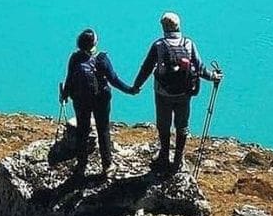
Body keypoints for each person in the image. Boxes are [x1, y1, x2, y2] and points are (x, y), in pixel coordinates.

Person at [131, 11, 221, 175]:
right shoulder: (188, 44)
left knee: (163, 125)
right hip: (184, 93)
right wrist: (213, 76)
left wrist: (136, 86)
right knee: (182, 125)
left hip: (163, 93)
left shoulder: (158, 46)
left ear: (163, 27)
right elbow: (200, 68)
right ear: (178, 26)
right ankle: (178, 160)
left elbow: (146, 68)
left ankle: (164, 156)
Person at [60, 28, 134, 180]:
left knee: (82, 131)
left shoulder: (74, 58)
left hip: (80, 100)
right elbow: (113, 79)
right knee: (103, 131)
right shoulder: (101, 58)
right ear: (94, 43)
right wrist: (130, 90)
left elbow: (69, 79)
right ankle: (107, 165)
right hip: (101, 100)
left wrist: (65, 94)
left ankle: (81, 166)